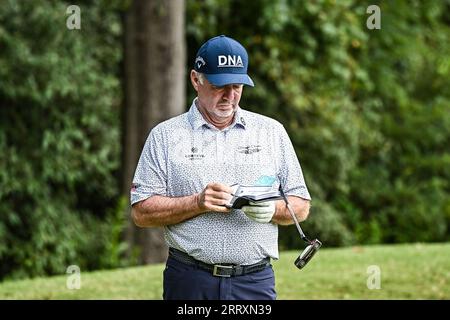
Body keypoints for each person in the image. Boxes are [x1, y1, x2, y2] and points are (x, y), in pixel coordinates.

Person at [130, 35, 311, 300]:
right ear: (196, 79)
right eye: (219, 86)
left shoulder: (271, 132)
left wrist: (274, 209)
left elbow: (301, 205)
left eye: (237, 86)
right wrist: (197, 202)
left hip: (254, 281)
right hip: (189, 280)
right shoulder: (166, 136)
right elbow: (141, 213)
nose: (230, 96)